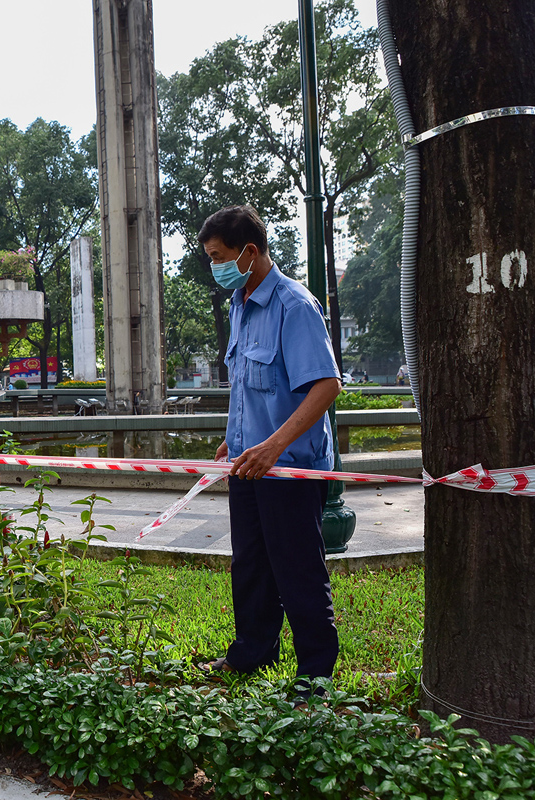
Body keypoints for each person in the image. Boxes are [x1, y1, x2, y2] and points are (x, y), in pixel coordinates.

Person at [195, 205, 342, 697]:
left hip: (290, 470)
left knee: (297, 567)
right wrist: (235, 438)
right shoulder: (241, 302)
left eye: (218, 256)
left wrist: (274, 446)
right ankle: (253, 652)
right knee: (251, 563)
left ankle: (316, 673)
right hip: (249, 467)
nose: (213, 266)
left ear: (249, 252)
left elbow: (325, 386)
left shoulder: (294, 307)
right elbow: (250, 386)